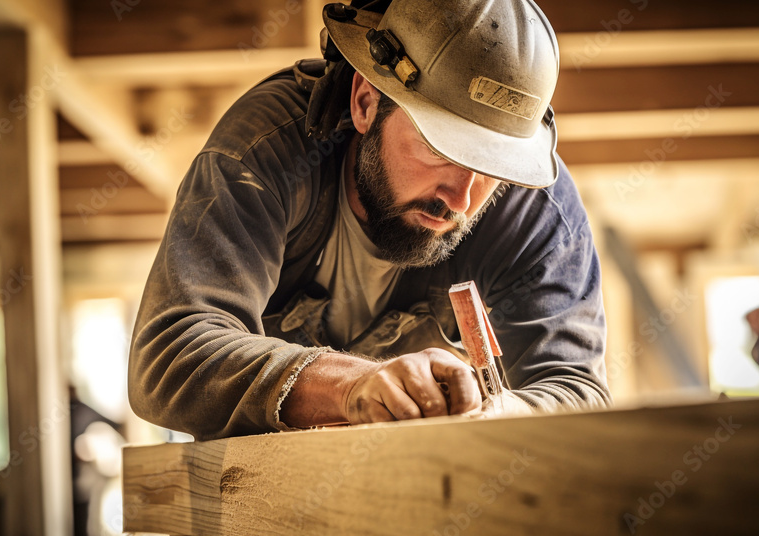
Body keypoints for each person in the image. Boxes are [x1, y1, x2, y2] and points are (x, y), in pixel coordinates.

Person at [128, 0, 610, 439]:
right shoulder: (268, 150)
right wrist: (352, 386)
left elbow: (576, 388)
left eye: (490, 170)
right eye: (441, 150)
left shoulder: (535, 206)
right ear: (365, 102)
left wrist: (506, 415)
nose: (462, 200)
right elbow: (169, 356)